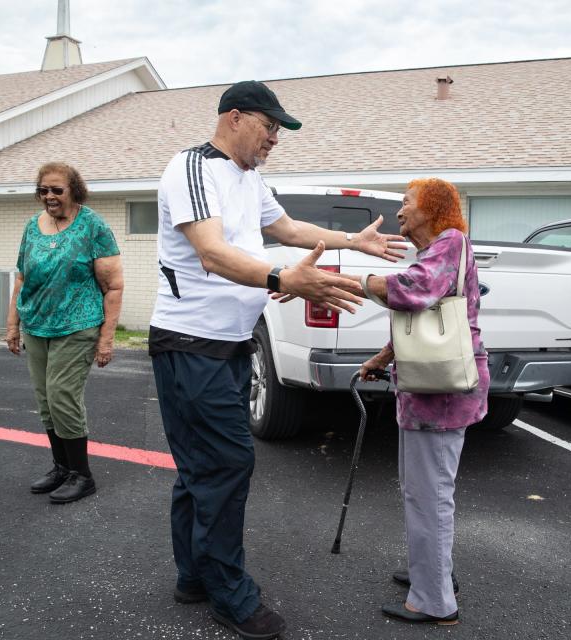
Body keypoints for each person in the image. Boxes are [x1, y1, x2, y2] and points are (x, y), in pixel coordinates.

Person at [150, 80, 407, 640]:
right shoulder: (191, 169)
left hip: (229, 344)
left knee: (201, 465)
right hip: (191, 345)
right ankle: (229, 594)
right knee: (226, 463)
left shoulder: (249, 178)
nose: (274, 138)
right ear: (235, 117)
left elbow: (286, 229)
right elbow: (213, 254)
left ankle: (194, 575)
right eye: (270, 126)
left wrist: (351, 242)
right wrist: (281, 276)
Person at [358, 177, 489, 626]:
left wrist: (357, 280)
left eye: (406, 203)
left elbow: (414, 290)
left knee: (429, 495)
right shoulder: (445, 249)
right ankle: (432, 574)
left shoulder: (449, 244)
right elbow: (426, 317)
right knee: (424, 490)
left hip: (441, 397)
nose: (399, 212)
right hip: (433, 393)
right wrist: (382, 357)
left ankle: (433, 601)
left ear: (432, 208)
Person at [5, 162, 124, 504]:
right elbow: (22, 278)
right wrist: (13, 325)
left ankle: (82, 475)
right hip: (36, 326)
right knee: (46, 400)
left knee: (61, 395)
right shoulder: (32, 226)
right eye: (43, 190)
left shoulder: (93, 226)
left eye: (57, 190)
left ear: (73, 189)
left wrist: (106, 338)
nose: (49, 196)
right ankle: (61, 467)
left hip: (78, 325)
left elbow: (113, 285)